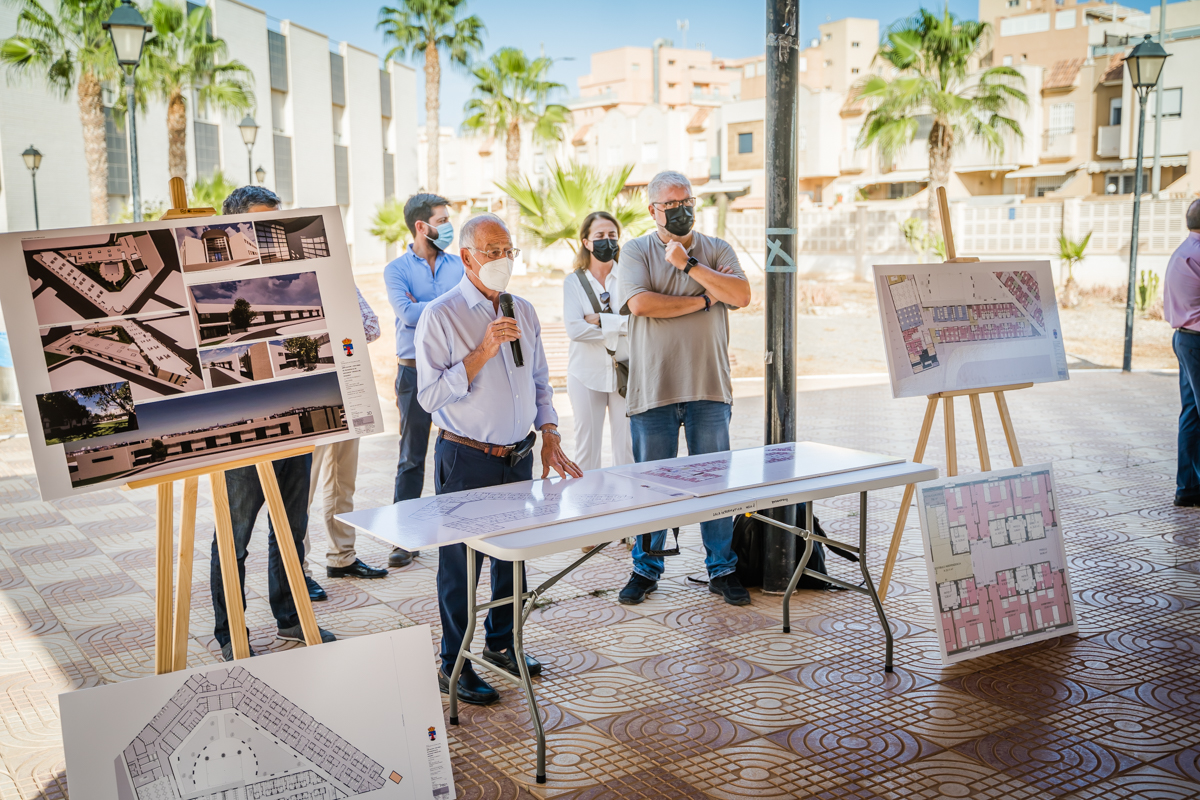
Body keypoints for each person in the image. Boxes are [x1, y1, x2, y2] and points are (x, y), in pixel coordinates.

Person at [415, 213, 582, 705]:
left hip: (518, 456)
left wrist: (548, 432)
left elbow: (540, 382)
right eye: (493, 252)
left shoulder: (522, 309)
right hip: (466, 457)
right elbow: (428, 396)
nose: (503, 260)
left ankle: (502, 643)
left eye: (509, 251)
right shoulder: (441, 315)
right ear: (467, 256)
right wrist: (484, 349)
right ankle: (454, 663)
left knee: (513, 558)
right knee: (462, 565)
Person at [210, 186, 337, 661]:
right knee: (235, 536)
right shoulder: (215, 286)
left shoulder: (295, 280)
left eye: (275, 226)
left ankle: (291, 618)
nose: (271, 236)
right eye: (261, 226)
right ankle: (231, 633)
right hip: (240, 431)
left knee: (291, 529)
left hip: (297, 423)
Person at [616, 170, 753, 607]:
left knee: (714, 483)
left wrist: (690, 266)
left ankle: (722, 568)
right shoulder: (635, 250)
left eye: (687, 202)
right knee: (652, 486)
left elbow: (742, 295)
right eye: (671, 205)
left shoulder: (716, 248)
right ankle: (645, 568)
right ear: (652, 210)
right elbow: (641, 304)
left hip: (708, 387)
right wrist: (706, 299)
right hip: (653, 389)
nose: (681, 211)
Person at [384, 193, 465, 567]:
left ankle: (458, 530)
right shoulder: (396, 269)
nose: (449, 226)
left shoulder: (459, 264)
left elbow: (469, 306)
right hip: (414, 371)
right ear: (422, 226)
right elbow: (406, 313)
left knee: (460, 452)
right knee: (411, 456)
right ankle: (404, 537)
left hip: (455, 369)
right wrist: (449, 304)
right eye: (443, 220)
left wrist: (426, 306)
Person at [302, 289, 389, 588]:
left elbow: (372, 326)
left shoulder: (339, 280)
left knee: (343, 481)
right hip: (306, 395)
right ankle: (297, 570)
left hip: (347, 391)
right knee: (302, 488)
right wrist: (337, 332)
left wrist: (327, 335)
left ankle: (342, 558)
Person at [562, 211, 633, 471]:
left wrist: (602, 320)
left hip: (626, 372)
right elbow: (575, 330)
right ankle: (588, 497)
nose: (607, 240)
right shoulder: (573, 282)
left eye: (612, 235)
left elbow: (640, 324)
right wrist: (621, 325)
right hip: (585, 374)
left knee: (627, 449)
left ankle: (627, 496)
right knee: (586, 451)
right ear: (586, 242)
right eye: (600, 235)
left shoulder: (630, 278)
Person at [1164, 198, 1200, 508]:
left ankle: (1188, 488)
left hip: (1184, 338)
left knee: (1191, 414)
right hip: (1198, 341)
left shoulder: (1183, 250)